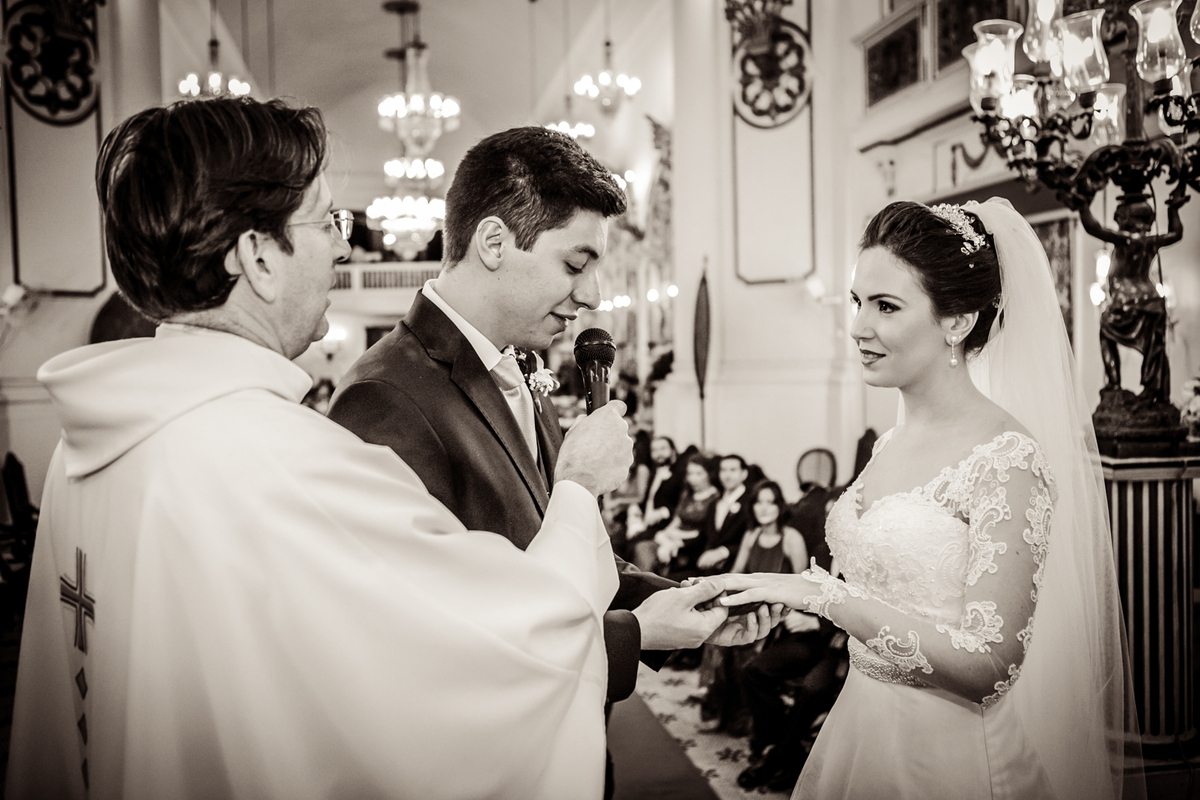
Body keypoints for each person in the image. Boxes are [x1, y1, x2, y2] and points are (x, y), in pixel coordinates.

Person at [5, 97, 693, 800]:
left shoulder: (94, 441)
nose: (342, 246)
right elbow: (489, 655)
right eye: (326, 220)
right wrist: (578, 485)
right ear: (258, 257)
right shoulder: (285, 464)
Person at [718, 199, 1141, 799]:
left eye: (886, 306)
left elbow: (989, 665)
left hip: (952, 757)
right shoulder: (889, 443)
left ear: (958, 321)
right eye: (857, 302)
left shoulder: (1006, 459)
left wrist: (824, 596)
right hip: (861, 727)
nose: (859, 326)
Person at [697, 480, 810, 735]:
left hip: (778, 612)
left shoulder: (791, 538)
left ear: (780, 506)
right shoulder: (751, 535)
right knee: (717, 631)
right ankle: (719, 706)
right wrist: (713, 587)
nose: (764, 508)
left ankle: (741, 715)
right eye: (759, 502)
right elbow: (737, 574)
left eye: (770, 502)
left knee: (743, 647)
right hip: (750, 603)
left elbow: (801, 586)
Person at [654, 452, 719, 579]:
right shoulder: (687, 494)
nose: (693, 478)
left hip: (692, 545)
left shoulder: (714, 498)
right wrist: (667, 535)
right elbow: (676, 521)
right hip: (675, 536)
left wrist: (676, 540)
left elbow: (702, 533)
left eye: (698, 473)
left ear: (709, 473)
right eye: (690, 473)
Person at [629, 436, 688, 571]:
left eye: (663, 449)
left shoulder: (680, 475)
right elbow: (648, 499)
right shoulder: (654, 472)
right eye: (654, 450)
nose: (658, 454)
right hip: (647, 523)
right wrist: (635, 512)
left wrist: (663, 512)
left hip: (665, 526)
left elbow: (682, 505)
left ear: (673, 450)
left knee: (635, 545)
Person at [695, 453, 754, 574]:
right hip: (707, 569)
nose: (727, 475)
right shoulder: (714, 504)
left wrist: (724, 551)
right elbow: (703, 537)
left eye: (733, 470)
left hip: (735, 568)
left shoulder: (751, 503)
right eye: (723, 470)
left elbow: (753, 540)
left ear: (744, 473)